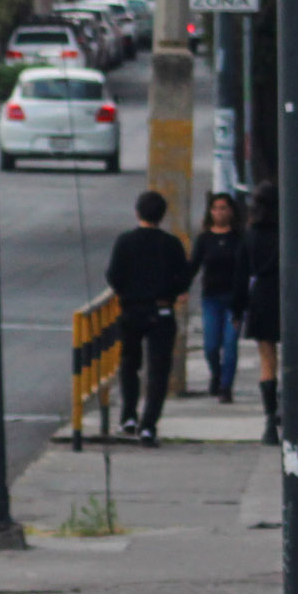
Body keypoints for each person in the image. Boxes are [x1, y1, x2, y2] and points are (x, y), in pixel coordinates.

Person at [104, 190, 193, 445]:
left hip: (131, 310)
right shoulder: (171, 244)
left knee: (130, 364)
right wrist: (171, 293)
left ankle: (128, 416)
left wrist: (127, 292)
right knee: (158, 370)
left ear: (137, 212)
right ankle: (149, 425)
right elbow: (184, 278)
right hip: (161, 311)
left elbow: (114, 276)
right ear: (162, 215)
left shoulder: (125, 241)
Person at [193, 193, 249, 401]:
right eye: (215, 208)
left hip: (234, 300)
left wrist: (242, 300)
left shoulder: (239, 239)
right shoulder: (205, 239)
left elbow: (245, 270)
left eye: (224, 208)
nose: (219, 212)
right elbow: (194, 265)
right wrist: (180, 288)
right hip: (211, 299)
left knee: (231, 345)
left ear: (231, 211)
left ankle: (226, 387)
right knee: (211, 346)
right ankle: (216, 374)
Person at [242, 184, 282, 443]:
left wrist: (237, 308)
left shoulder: (251, 235)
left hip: (261, 297)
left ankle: (269, 418)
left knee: (267, 360)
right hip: (289, 296)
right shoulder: (289, 231)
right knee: (293, 359)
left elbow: (240, 273)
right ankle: (288, 408)